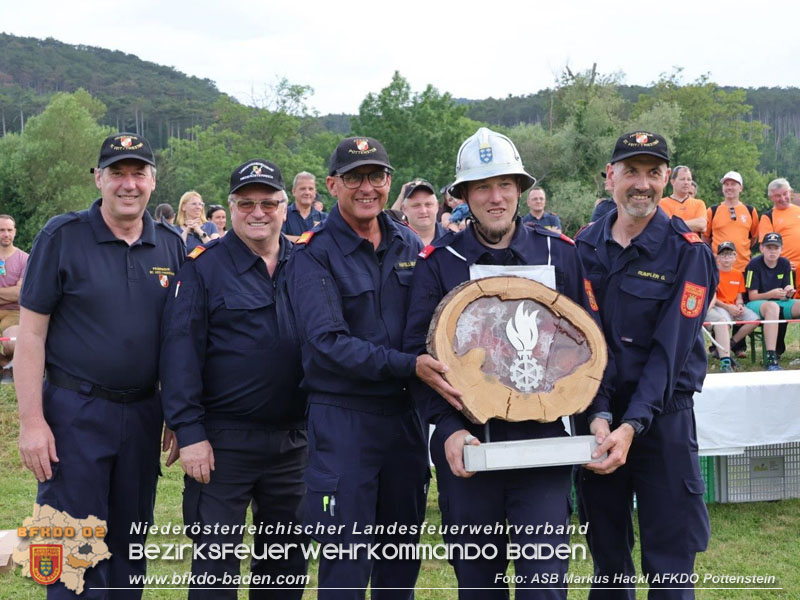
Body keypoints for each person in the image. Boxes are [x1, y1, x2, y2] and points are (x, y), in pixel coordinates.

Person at [404, 126, 595, 599]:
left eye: (505, 185)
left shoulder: (561, 254)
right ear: (464, 196)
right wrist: (446, 431)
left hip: (545, 450)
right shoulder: (437, 262)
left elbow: (589, 349)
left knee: (543, 587)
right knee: (478, 588)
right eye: (483, 187)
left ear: (520, 190)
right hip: (469, 453)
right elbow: (417, 360)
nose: (495, 197)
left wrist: (599, 417)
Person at [15, 132, 184, 599]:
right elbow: (31, 335)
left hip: (144, 414)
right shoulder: (61, 236)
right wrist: (31, 422)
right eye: (117, 173)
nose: (128, 184)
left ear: (153, 180)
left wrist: (178, 410)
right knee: (71, 555)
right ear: (98, 179)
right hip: (75, 413)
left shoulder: (172, 245)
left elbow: (180, 339)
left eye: (138, 173)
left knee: (130, 550)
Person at [285, 136, 455, 599]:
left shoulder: (409, 243)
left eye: (376, 176)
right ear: (332, 184)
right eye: (355, 177)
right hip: (344, 420)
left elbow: (433, 322)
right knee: (345, 563)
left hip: (404, 420)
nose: (367, 187)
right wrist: (409, 365)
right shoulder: (311, 253)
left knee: (399, 560)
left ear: (389, 182)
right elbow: (327, 343)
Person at [575, 131, 717, 598]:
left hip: (662, 420)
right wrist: (597, 414)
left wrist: (632, 424)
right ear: (610, 176)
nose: (643, 184)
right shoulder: (583, 247)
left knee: (670, 561)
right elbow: (578, 342)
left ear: (667, 180)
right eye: (631, 171)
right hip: (599, 419)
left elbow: (670, 352)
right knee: (608, 558)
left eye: (654, 173)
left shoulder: (688, 252)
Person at [160, 159, 307, 598]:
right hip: (223, 443)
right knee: (215, 564)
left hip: (295, 442)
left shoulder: (308, 262)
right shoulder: (204, 267)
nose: (257, 212)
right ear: (229, 207)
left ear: (285, 206)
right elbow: (179, 354)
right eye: (246, 203)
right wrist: (189, 433)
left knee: (285, 565)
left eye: (268, 202)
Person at [744, 232, 800, 371]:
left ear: (781, 249)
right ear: (762, 248)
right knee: (772, 307)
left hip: (780, 302)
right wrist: (771, 294)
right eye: (769, 247)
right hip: (757, 303)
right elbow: (752, 296)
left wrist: (788, 292)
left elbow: (789, 292)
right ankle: (771, 357)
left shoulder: (785, 263)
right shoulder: (754, 264)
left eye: (776, 248)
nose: (772, 251)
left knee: (784, 305)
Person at [704, 242, 759, 372]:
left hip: (734, 305)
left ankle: (730, 343)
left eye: (729, 255)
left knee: (754, 320)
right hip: (719, 306)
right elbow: (713, 298)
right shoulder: (714, 273)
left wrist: (739, 305)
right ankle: (726, 355)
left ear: (735, 257)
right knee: (725, 322)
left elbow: (739, 295)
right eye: (723, 255)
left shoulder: (738, 274)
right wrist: (728, 308)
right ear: (717, 258)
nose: (726, 258)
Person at [704, 171, 759, 273]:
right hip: (718, 268)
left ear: (740, 188)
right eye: (726, 184)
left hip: (743, 267)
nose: (729, 187)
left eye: (733, 184)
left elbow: (753, 238)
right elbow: (706, 238)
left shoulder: (750, 211)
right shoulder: (712, 211)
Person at [0, 214, 28, 372]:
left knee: (13, 342)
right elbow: (13, 291)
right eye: (1, 230)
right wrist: (8, 292)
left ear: (15, 232)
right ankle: (4, 365)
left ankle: (7, 364)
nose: (6, 234)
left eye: (9, 230)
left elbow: (19, 294)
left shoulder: (25, 259)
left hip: (14, 312)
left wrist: (13, 293)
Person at [758, 178, 800, 270]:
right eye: (778, 196)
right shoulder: (768, 217)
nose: (783, 198)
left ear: (790, 192)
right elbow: (765, 248)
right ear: (771, 198)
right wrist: (782, 263)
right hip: (786, 268)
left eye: (785, 194)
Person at [659, 166, 706, 233]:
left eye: (689, 179)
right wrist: (693, 224)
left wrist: (673, 224)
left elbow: (701, 225)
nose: (686, 182)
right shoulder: (661, 203)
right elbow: (664, 226)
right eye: (682, 179)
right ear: (673, 182)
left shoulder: (699, 204)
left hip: (692, 243)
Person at [401, 178, 447, 245]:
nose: (423, 211)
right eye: (416, 205)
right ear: (404, 209)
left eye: (428, 204)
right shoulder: (392, 243)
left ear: (437, 206)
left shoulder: (456, 242)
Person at [283, 171, 325, 242]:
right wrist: (310, 240)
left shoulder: (324, 218)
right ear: (293, 191)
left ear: (315, 192)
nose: (307, 192)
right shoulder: (283, 215)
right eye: (303, 189)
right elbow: (277, 237)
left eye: (311, 189)